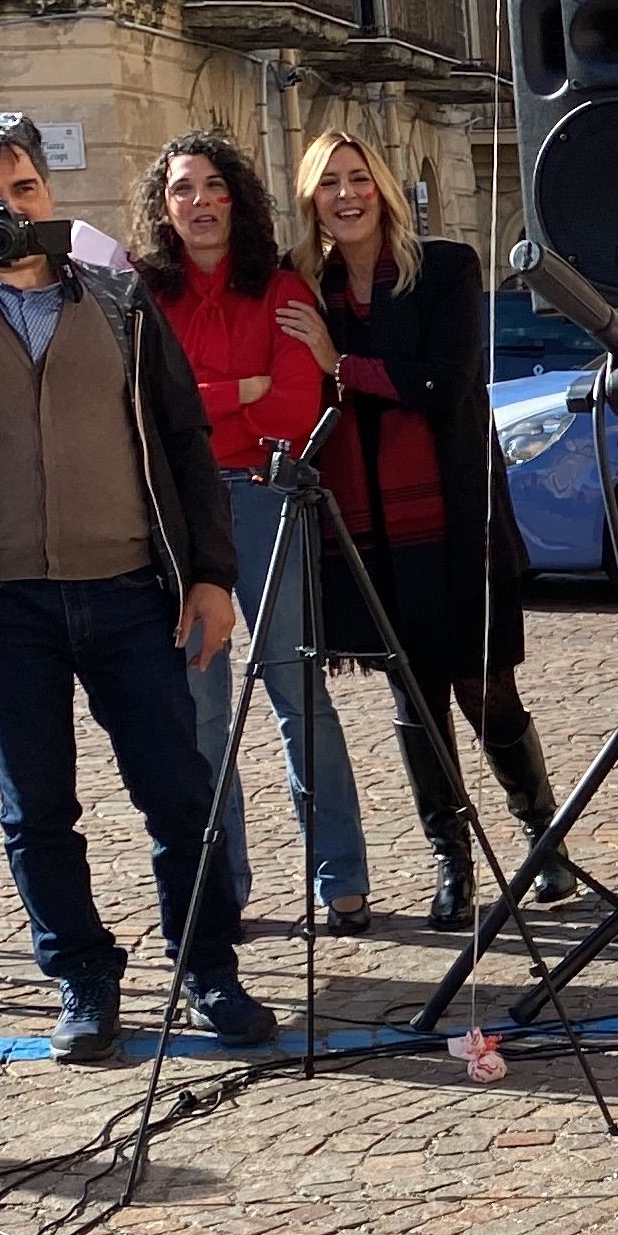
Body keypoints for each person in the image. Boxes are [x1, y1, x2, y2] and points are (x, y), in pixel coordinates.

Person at [0, 113, 277, 1061]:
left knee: (179, 795)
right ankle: (82, 975)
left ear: (49, 193)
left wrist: (211, 574)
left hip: (129, 590)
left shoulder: (118, 298)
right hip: (0, 604)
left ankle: (208, 969)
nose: (9, 208)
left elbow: (185, 439)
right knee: (37, 809)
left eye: (24, 189)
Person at [282, 129, 573, 933]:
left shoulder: (444, 267)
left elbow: (446, 382)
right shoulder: (303, 284)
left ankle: (541, 835)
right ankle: (453, 859)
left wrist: (341, 364)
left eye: (358, 178)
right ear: (310, 200)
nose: (346, 195)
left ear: (382, 187)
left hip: (453, 517)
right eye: (329, 183)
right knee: (412, 694)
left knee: (485, 687)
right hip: (362, 525)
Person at [132, 130, 373, 938]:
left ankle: (341, 877)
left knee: (297, 693)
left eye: (214, 186)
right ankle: (219, 885)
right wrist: (240, 389)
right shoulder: (142, 296)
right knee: (199, 709)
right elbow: (143, 408)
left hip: (270, 500)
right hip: (177, 514)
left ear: (236, 197)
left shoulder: (281, 288)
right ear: (164, 206)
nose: (199, 201)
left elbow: (294, 408)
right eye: (182, 188)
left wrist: (200, 402)